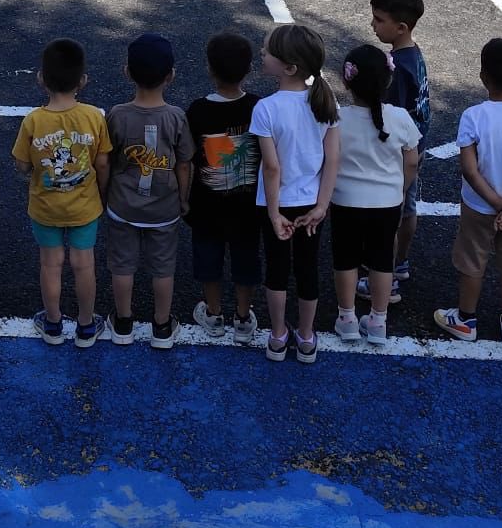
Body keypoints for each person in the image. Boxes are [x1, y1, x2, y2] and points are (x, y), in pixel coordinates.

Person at [434, 38, 502, 348]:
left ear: (483, 76)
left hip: (479, 206)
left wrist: (495, 201)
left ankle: (466, 319)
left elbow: (470, 170)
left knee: (472, 260)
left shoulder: (474, 116)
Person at [12, 38, 110, 348]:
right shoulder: (94, 117)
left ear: (41, 78)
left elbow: (22, 164)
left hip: (45, 208)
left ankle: (53, 323)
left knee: (50, 264)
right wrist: (101, 193)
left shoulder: (33, 121)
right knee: (84, 264)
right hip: (84, 207)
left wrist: (36, 171)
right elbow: (103, 161)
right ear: (82, 81)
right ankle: (85, 324)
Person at [254, 23, 341, 364]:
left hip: (276, 204)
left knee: (276, 269)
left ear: (288, 67)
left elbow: (271, 168)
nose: (261, 53)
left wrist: (274, 214)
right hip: (310, 204)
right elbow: (332, 158)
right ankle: (306, 337)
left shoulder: (266, 108)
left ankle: (278, 335)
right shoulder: (324, 101)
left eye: (267, 51)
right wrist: (322, 205)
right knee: (307, 268)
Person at [104, 33, 195, 348]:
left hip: (123, 205)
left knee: (122, 263)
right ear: (170, 76)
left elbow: (108, 158)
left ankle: (124, 322)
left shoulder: (117, 114)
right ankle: (161, 326)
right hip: (164, 207)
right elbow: (184, 164)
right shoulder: (176, 117)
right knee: (163, 265)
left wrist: (104, 194)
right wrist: (183, 199)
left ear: (127, 72)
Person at [328, 45, 419, 346]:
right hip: (387, 201)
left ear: (346, 81)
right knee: (382, 260)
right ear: (387, 81)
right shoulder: (401, 117)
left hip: (345, 200)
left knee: (346, 258)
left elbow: (328, 159)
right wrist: (401, 188)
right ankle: (378, 320)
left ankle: (347, 318)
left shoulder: (338, 119)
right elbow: (411, 160)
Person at [187, 32, 262, 343]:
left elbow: (190, 158)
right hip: (249, 205)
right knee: (246, 258)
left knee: (208, 258)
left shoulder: (197, 110)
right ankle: (243, 317)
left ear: (210, 69)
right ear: (249, 69)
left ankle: (214, 312)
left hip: (207, 205)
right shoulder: (259, 107)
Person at [369, 0, 431, 295]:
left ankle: (387, 276)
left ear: (401, 27)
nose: (373, 25)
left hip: (397, 152)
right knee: (407, 209)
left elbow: (392, 115)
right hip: (414, 147)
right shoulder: (414, 55)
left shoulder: (397, 67)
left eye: (379, 20)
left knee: (390, 215)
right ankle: (401, 263)